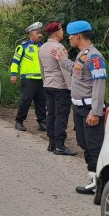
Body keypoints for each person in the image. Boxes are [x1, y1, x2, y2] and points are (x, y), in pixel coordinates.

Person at [51, 20, 107, 195]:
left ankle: (102, 185)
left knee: (94, 146)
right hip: (79, 109)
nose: (69, 40)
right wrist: (63, 60)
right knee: (84, 144)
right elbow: (76, 71)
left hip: (90, 109)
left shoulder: (95, 57)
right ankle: (93, 180)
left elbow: (99, 84)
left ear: (78, 36)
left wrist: (96, 111)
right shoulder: (83, 55)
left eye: (70, 37)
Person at [38, 22, 76, 156]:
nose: (63, 32)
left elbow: (41, 68)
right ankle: (60, 146)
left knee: (51, 114)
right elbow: (65, 69)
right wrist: (71, 87)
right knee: (61, 116)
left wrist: (45, 81)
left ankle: (52, 143)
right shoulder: (59, 48)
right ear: (57, 33)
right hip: (60, 86)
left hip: (48, 84)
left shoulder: (42, 48)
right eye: (61, 30)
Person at [10, 22, 47, 132]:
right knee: (25, 101)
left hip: (41, 79)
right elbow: (15, 62)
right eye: (37, 33)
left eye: (40, 33)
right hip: (28, 79)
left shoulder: (42, 47)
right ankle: (19, 122)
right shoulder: (22, 47)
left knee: (41, 102)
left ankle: (42, 122)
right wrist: (13, 75)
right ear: (31, 34)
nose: (40, 35)